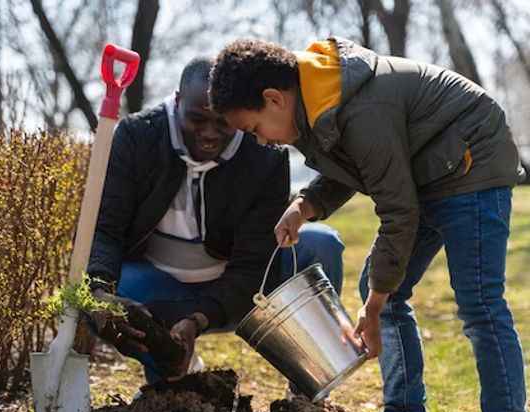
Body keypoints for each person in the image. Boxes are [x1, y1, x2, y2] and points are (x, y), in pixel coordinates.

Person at [209, 37, 530, 412]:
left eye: (255, 128)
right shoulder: (320, 104)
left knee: (479, 304)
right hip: (429, 170)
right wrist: (306, 204)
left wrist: (377, 302)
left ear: (273, 99)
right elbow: (354, 166)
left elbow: (397, 209)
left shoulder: (361, 105)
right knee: (378, 287)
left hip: (471, 162)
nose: (262, 140)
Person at [87, 56, 344, 388]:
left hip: (241, 288)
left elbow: (252, 266)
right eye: (196, 119)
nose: (209, 134)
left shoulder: (263, 153)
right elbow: (106, 229)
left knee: (321, 244)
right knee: (97, 295)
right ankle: (172, 372)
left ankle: (308, 389)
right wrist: (100, 290)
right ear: (177, 101)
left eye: (221, 122)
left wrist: (198, 319)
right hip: (159, 286)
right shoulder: (137, 137)